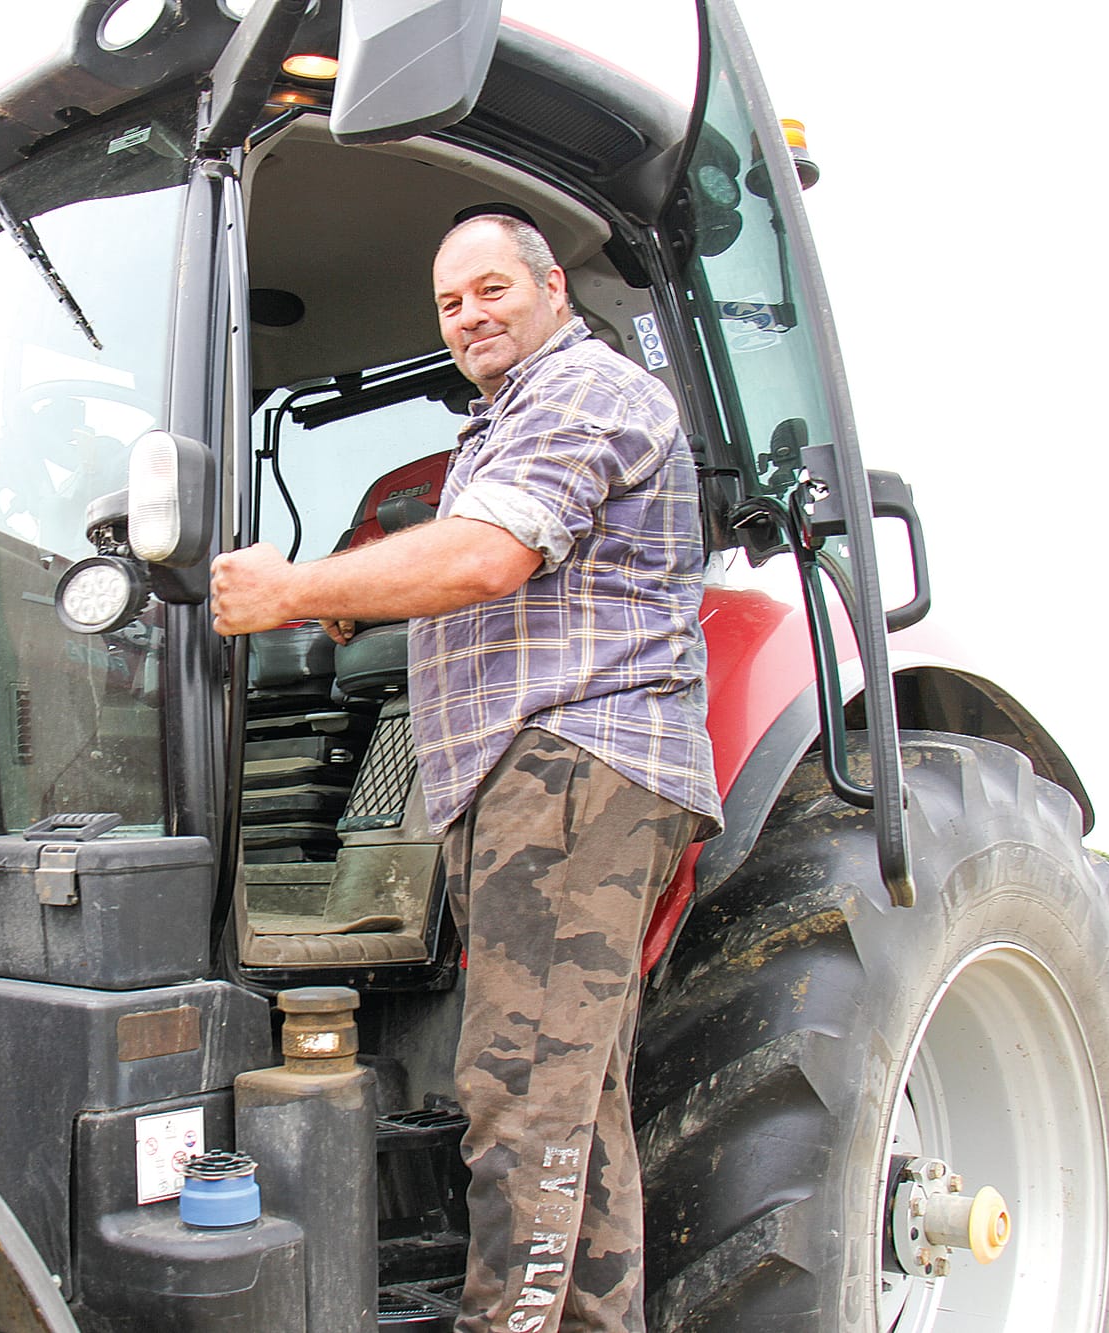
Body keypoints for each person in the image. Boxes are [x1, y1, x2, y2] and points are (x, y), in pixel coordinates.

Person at [210, 211, 721, 1332]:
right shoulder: (500, 427)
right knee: (577, 1106)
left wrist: (294, 588)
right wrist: (346, 585)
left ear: (549, 287)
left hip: (577, 756)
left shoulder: (583, 390)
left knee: (522, 1090)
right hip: (531, 770)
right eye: (449, 303)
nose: (469, 316)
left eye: (490, 289)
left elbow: (490, 553)